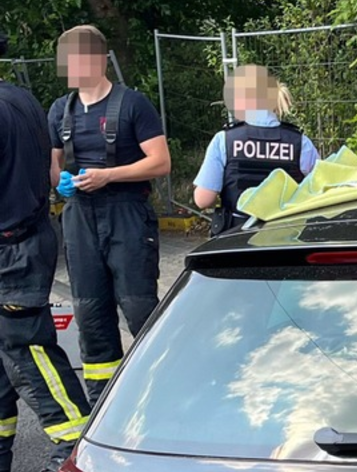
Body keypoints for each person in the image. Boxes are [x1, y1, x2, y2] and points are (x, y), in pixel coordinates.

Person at [47, 25, 171, 405]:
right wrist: (61, 183)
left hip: (127, 216)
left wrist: (109, 176)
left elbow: (161, 162)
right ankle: (105, 403)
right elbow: (52, 168)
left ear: (99, 59)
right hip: (80, 217)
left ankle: (163, 392)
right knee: (91, 315)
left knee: (138, 307)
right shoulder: (59, 110)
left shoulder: (133, 104)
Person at [0, 31, 94, 472]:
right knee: (6, 348)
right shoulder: (21, 98)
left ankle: (72, 444)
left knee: (26, 347)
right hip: (29, 235)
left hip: (11, 247)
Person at [193, 65, 319, 237]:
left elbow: (203, 200)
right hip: (285, 236)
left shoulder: (225, 140)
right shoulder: (299, 142)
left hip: (235, 237)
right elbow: (319, 190)